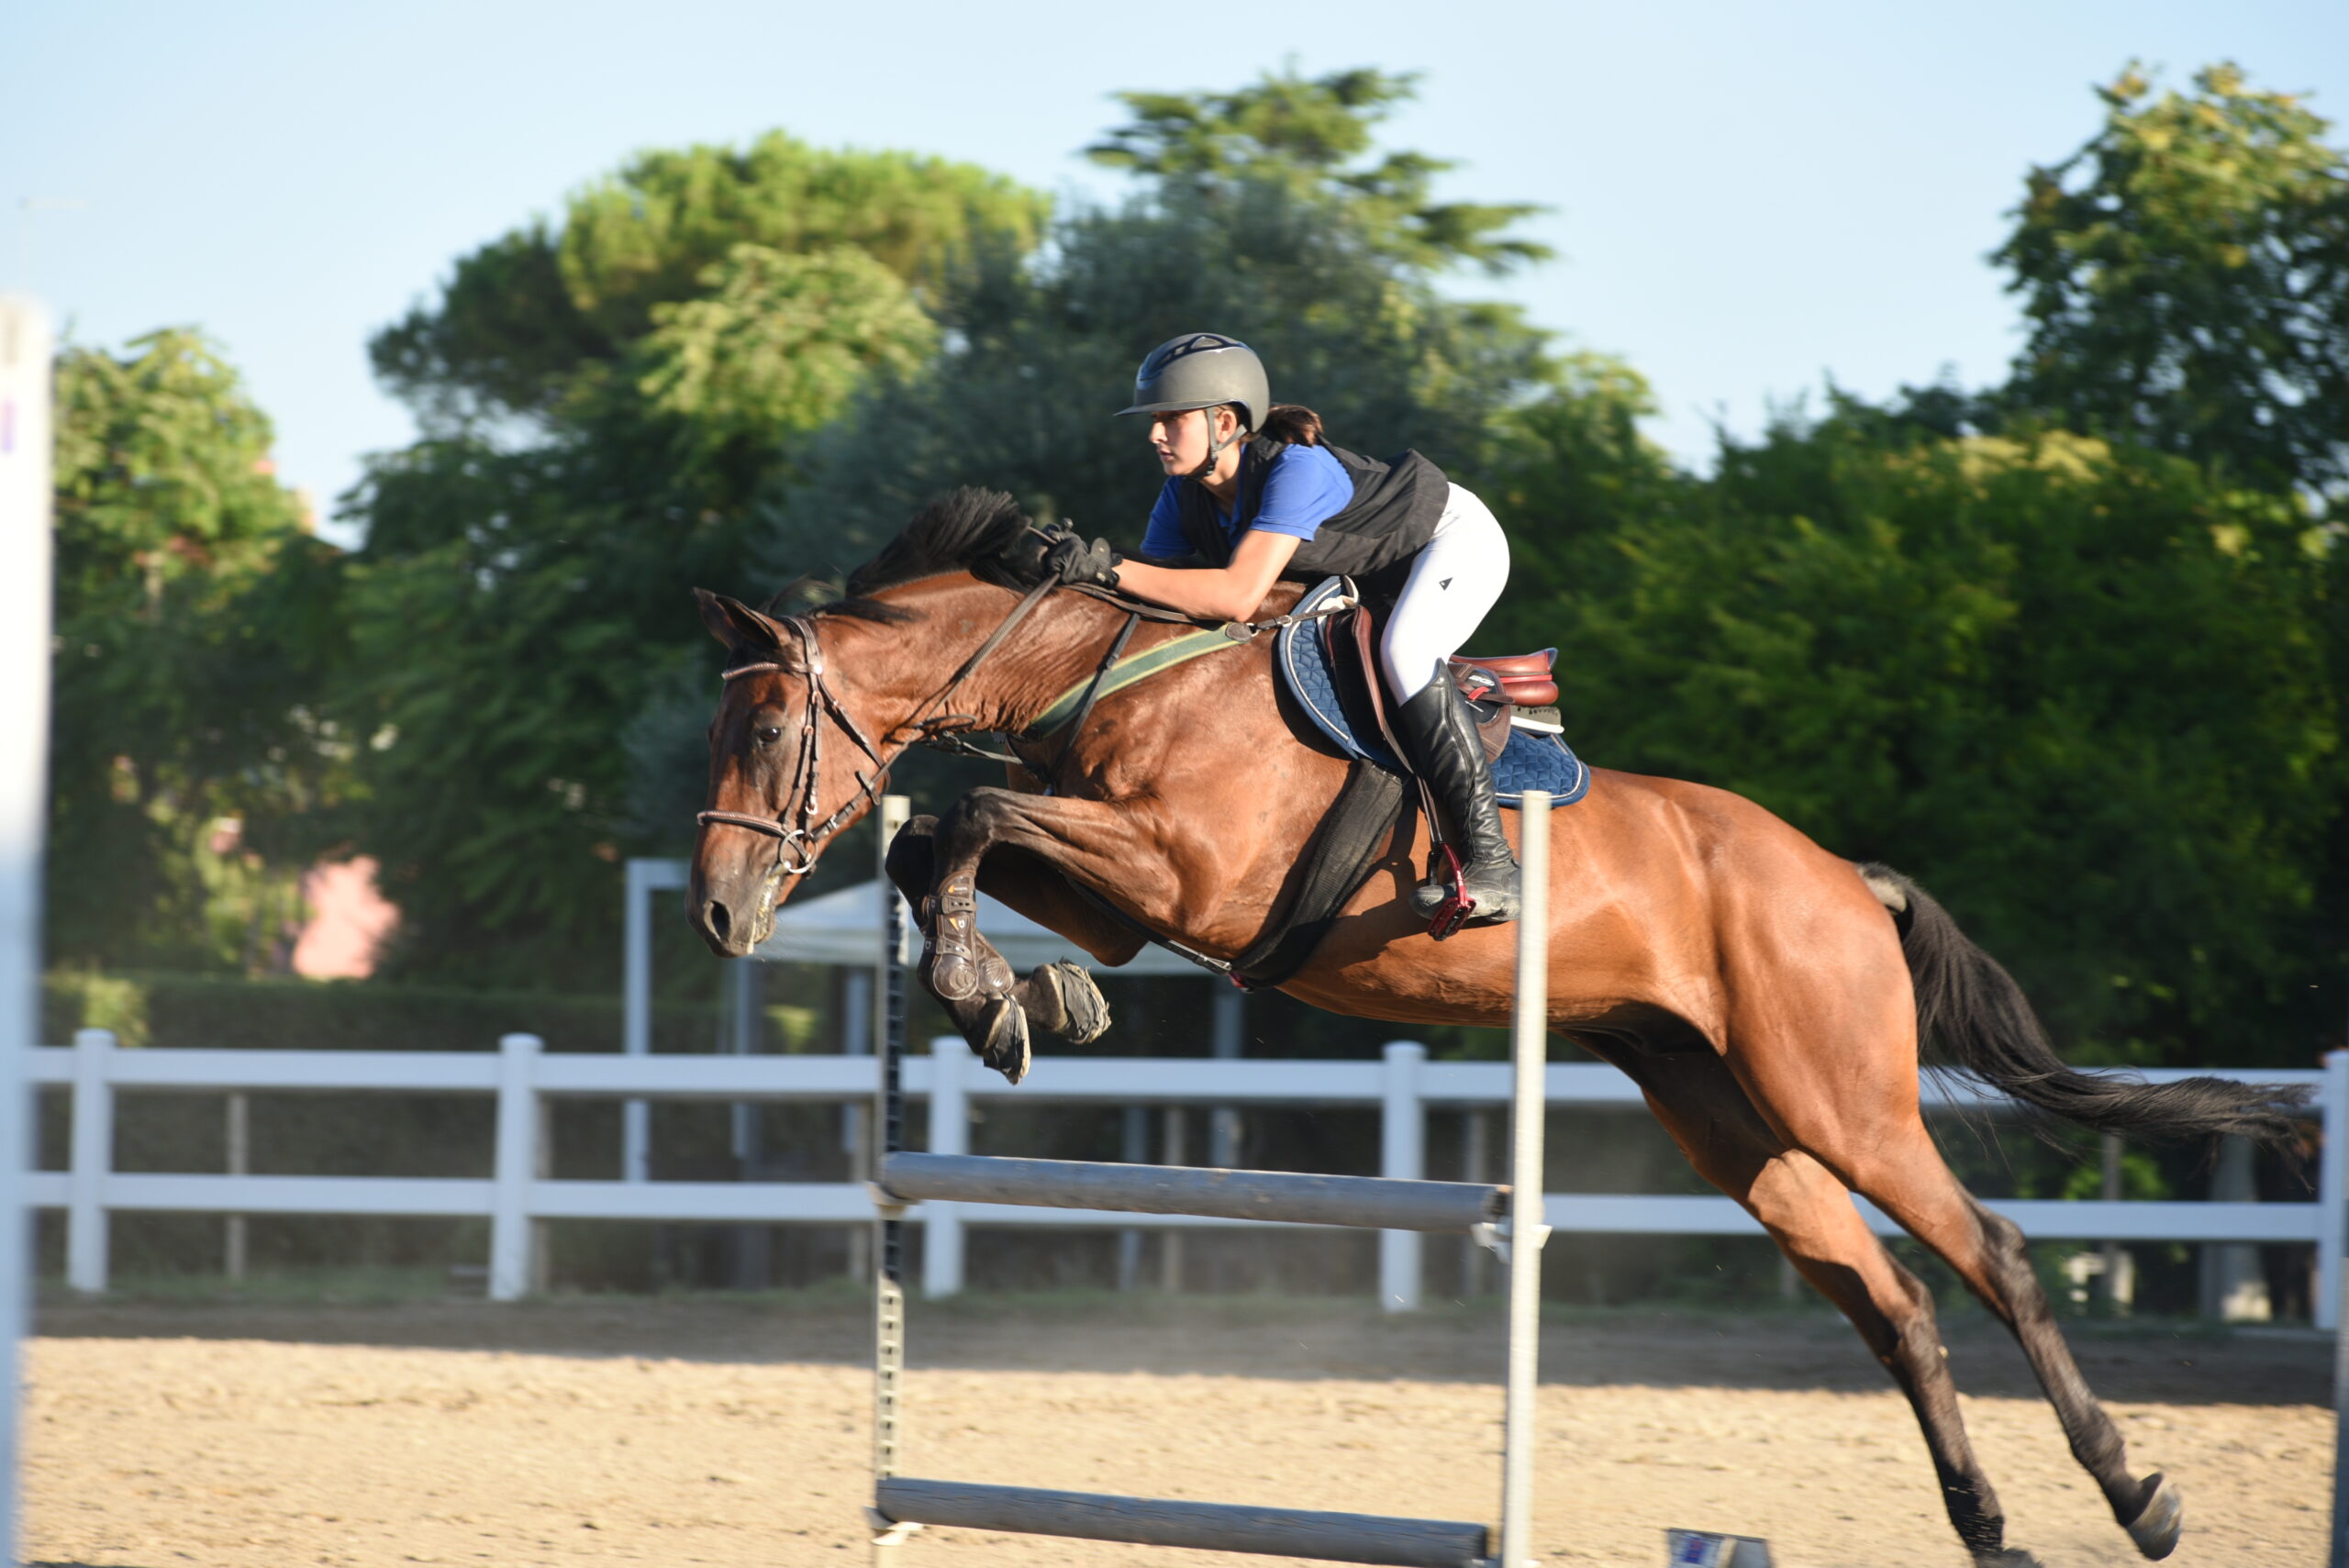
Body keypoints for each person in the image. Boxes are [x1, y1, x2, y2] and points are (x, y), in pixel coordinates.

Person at [1038, 330, 1520, 928]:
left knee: (1404, 650)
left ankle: (1492, 861)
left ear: (1224, 421)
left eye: (1171, 419)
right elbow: (1156, 599)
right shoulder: (1181, 496)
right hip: (1376, 569)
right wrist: (1070, 575)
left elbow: (1237, 596)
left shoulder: (1297, 469)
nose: (1154, 434)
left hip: (1453, 540)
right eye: (1154, 420)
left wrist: (1109, 567)